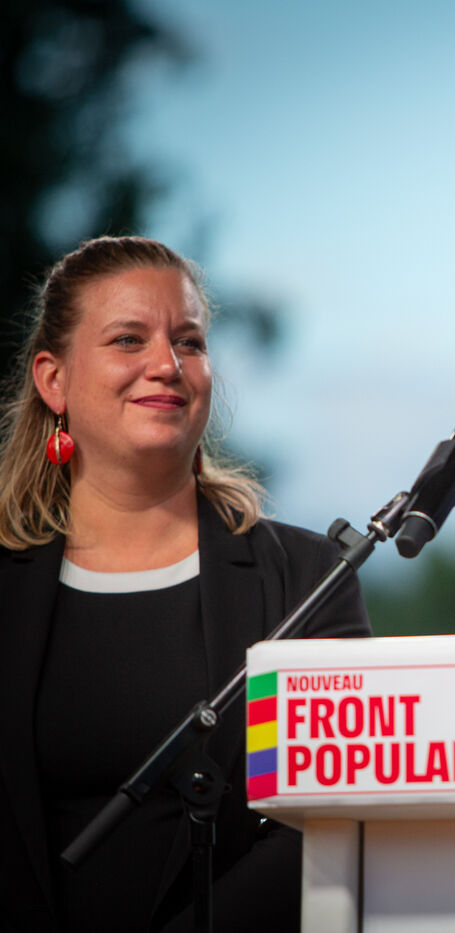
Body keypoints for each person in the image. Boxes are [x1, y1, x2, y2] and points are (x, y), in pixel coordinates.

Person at [0, 237, 372, 932]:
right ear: (54, 380)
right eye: (128, 339)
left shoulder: (306, 579)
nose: (167, 365)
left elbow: (330, 819)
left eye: (189, 342)